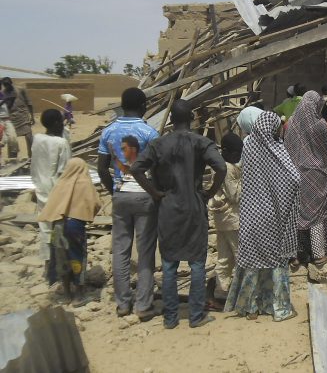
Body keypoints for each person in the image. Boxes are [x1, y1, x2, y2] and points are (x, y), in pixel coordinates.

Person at [131, 99, 226, 329]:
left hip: (168, 208)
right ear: (192, 118)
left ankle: (171, 317)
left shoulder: (158, 144)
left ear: (171, 119)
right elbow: (221, 167)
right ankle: (195, 315)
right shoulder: (201, 142)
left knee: (170, 264)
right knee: (196, 264)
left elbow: (136, 168)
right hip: (194, 206)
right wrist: (209, 192)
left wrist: (155, 192)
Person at [225, 111, 299, 322]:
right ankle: (279, 308)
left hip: (251, 214)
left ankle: (250, 307)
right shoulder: (277, 148)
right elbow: (294, 179)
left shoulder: (248, 146)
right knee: (276, 261)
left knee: (253, 260)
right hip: (273, 216)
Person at [98, 88, 159, 321]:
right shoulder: (149, 133)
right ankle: (143, 305)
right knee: (145, 251)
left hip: (121, 195)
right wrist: (155, 192)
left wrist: (112, 191)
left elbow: (102, 168)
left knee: (121, 250)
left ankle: (123, 303)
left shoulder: (109, 131)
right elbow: (157, 168)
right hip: (144, 196)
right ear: (143, 106)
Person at [284, 91, 327, 264]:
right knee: (315, 214)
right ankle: (318, 254)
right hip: (316, 176)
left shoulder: (291, 123)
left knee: (297, 214)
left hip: (294, 174)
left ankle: (295, 255)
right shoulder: (320, 125)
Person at [38, 158, 102, 306]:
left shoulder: (61, 182)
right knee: (77, 257)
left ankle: (66, 294)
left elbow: (52, 203)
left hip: (58, 224)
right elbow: (96, 203)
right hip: (75, 225)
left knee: (62, 257)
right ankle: (78, 296)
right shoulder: (84, 182)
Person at [30, 109, 71, 268]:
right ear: (55, 123)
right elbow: (64, 170)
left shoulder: (37, 139)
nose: (63, 124)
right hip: (56, 188)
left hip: (40, 185)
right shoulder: (61, 143)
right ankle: (60, 264)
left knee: (45, 226)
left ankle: (48, 263)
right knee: (59, 227)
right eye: (61, 122)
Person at [206, 133, 243, 299]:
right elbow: (234, 195)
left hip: (223, 220)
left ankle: (220, 292)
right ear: (226, 151)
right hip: (232, 219)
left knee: (224, 258)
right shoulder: (227, 169)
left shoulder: (221, 165)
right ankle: (244, 293)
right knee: (240, 255)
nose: (238, 157)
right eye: (236, 154)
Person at [1, 77, 34, 158]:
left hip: (23, 117)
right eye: (5, 85)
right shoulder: (3, 93)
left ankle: (32, 157)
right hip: (11, 119)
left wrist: (32, 116)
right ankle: (12, 159)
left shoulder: (21, 90)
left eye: (8, 85)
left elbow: (29, 102)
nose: (7, 86)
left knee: (29, 137)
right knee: (12, 141)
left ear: (11, 83)